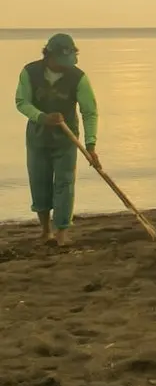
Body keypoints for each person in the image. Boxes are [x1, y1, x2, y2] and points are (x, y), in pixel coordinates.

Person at [14, 33, 101, 247]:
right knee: (39, 182)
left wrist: (90, 145)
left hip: (66, 139)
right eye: (61, 61)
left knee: (65, 184)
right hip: (37, 138)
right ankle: (45, 231)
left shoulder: (78, 77)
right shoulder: (30, 72)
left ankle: (62, 232)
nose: (65, 66)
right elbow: (21, 102)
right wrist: (41, 117)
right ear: (48, 55)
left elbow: (90, 112)